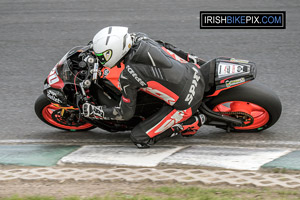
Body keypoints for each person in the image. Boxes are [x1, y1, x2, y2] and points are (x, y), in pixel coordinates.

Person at [83, 26, 206, 148]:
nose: (101, 59)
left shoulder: (128, 76)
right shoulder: (140, 38)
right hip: (194, 71)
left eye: (103, 56)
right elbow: (167, 46)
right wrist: (193, 59)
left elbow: (125, 113)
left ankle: (190, 123)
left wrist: (96, 112)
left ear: (114, 51)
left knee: (139, 138)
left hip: (186, 104)